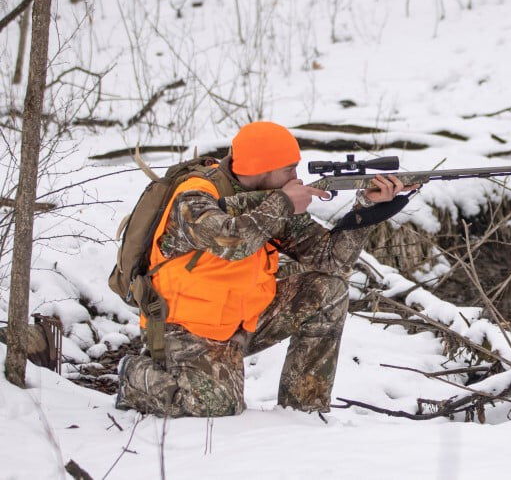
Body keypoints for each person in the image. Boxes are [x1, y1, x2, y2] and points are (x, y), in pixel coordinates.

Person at [115, 121, 418, 417]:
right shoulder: (194, 196)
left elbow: (331, 260)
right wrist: (283, 204)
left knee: (329, 291)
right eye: (289, 169)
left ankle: (305, 410)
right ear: (261, 170)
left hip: (239, 321)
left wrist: (366, 210)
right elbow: (232, 241)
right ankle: (135, 376)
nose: (295, 177)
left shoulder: (272, 199)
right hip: (184, 329)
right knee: (218, 406)